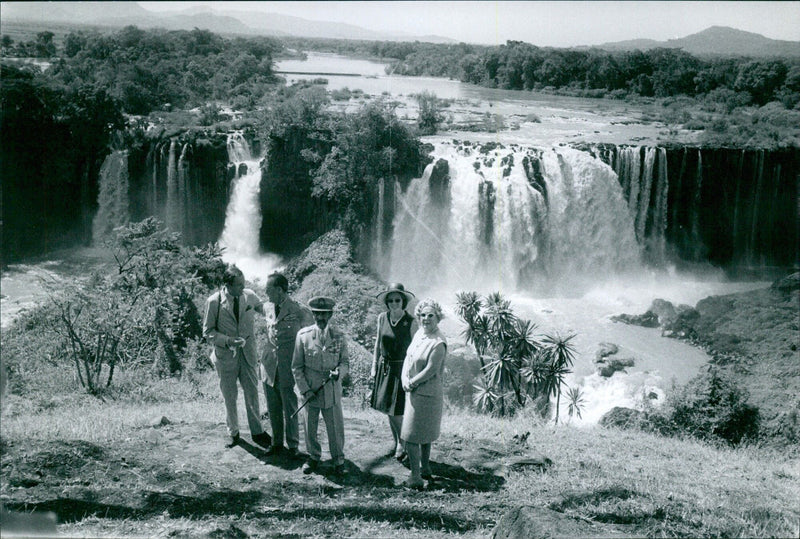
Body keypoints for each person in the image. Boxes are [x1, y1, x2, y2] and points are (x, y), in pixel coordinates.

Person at [202, 265, 272, 448]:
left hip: (247, 354)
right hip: (225, 357)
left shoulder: (248, 295)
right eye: (239, 285)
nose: (243, 287)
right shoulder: (214, 302)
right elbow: (208, 332)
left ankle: (258, 432)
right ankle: (233, 433)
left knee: (252, 393)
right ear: (228, 285)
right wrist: (227, 341)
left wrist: (276, 311)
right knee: (229, 395)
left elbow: (262, 308)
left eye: (243, 283)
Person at [292, 296, 350, 475]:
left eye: (325, 314)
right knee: (310, 426)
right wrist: (305, 390)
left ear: (330, 314)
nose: (321, 318)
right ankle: (313, 457)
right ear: (313, 314)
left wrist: (339, 372)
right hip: (310, 390)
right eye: (317, 314)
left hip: (331, 390)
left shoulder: (339, 336)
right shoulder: (303, 336)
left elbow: (345, 362)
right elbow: (297, 367)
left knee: (335, 428)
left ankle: (338, 459)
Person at [261, 272, 313, 457]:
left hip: (288, 364)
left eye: (269, 289)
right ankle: (276, 443)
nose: (266, 292)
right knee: (272, 404)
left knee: (289, 403)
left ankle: (292, 446)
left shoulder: (299, 310)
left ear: (280, 290)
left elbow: (310, 336)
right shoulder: (267, 307)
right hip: (269, 365)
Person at [400, 298, 447, 489]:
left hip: (427, 394)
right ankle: (425, 468)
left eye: (430, 315)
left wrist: (411, 382)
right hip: (413, 390)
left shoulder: (438, 343)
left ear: (438, 318)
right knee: (422, 434)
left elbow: (431, 370)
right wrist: (404, 378)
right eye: (423, 315)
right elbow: (408, 357)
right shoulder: (420, 333)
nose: (426, 319)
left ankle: (415, 477)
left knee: (412, 436)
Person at [370, 283, 418, 460]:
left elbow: (415, 349)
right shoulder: (382, 318)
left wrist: (412, 373)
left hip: (402, 368)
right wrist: (374, 366)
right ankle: (397, 441)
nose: (393, 303)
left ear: (403, 301)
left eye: (397, 300)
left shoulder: (411, 322)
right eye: (390, 300)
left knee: (396, 410)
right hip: (385, 368)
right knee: (387, 408)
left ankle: (402, 442)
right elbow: (377, 344)